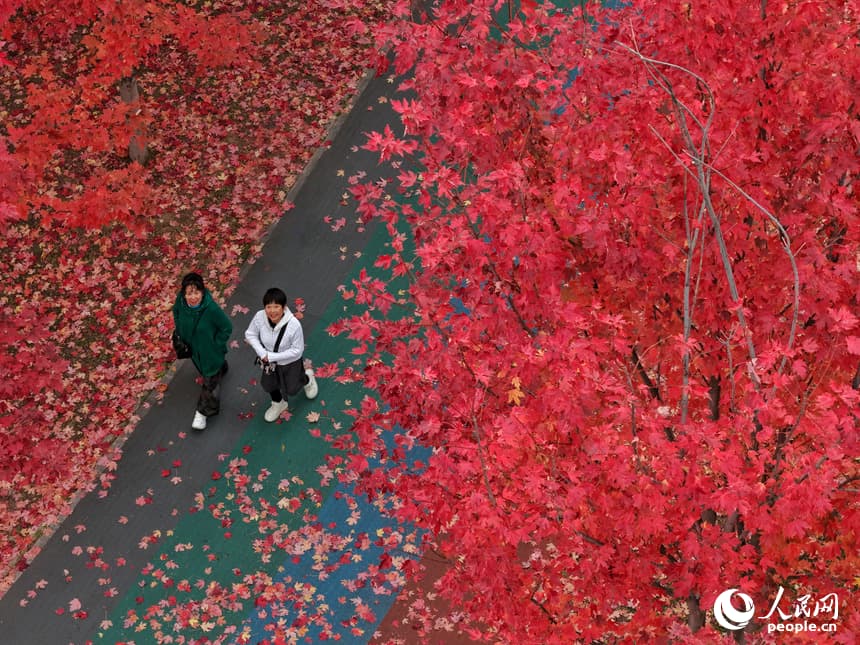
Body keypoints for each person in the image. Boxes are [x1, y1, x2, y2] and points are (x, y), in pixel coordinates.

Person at [244, 287, 318, 422]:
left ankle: (308, 379)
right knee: (269, 384)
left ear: (284, 307)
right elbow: (250, 334)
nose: (272, 311)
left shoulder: (294, 325)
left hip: (289, 362)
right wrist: (262, 352)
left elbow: (297, 351)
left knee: (293, 388)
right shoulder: (259, 317)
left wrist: (271, 356)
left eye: (276, 306)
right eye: (268, 307)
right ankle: (278, 403)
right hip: (268, 363)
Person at [172, 272, 232, 430]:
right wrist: (180, 330)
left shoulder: (211, 309)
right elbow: (176, 313)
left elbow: (226, 327)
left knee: (210, 384)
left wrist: (216, 344)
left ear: (203, 291)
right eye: (189, 293)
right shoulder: (181, 303)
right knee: (210, 370)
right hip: (194, 351)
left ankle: (203, 412)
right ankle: (222, 368)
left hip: (210, 352)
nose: (193, 297)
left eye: (196, 292)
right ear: (184, 294)